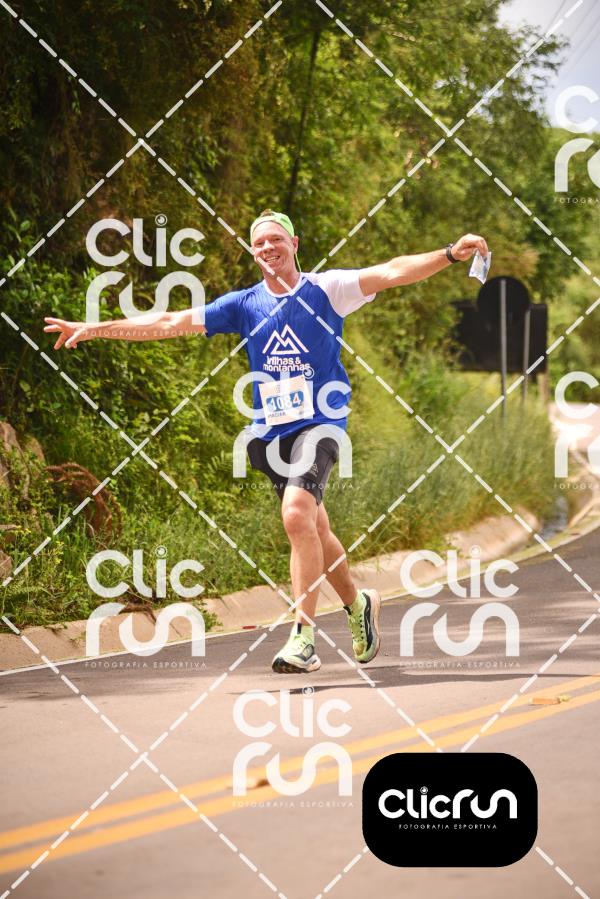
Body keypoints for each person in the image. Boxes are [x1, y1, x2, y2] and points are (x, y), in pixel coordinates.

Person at [44, 210, 488, 674]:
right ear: (253, 253)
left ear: (294, 244)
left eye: (276, 239)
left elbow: (393, 271)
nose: (268, 248)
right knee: (314, 529)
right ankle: (357, 606)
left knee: (295, 513)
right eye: (259, 243)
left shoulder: (327, 289)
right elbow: (171, 321)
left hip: (321, 421)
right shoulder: (244, 304)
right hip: (272, 432)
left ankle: (304, 638)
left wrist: (449, 255)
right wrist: (95, 328)